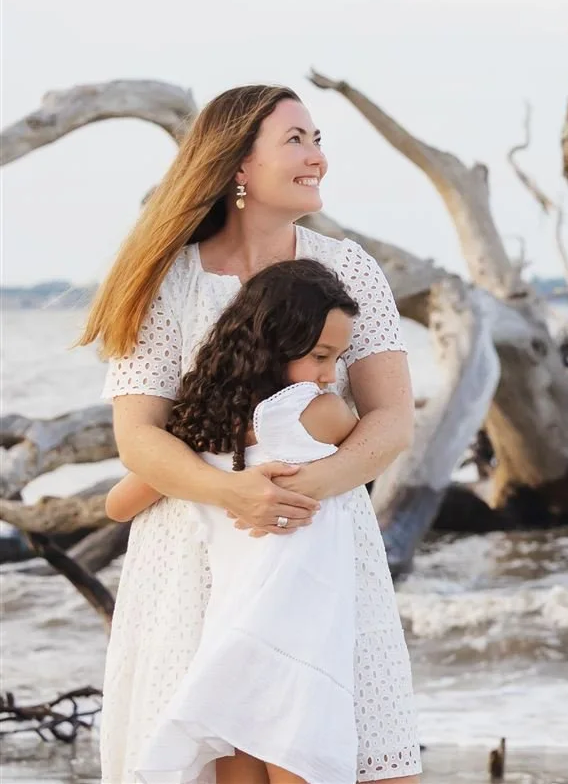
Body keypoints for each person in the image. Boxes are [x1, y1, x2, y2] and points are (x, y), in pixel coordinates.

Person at [84, 85, 422, 784]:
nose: (318, 157)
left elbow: (392, 418)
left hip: (323, 553)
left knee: (362, 757)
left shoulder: (349, 267)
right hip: (195, 557)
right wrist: (235, 492)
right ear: (239, 162)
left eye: (318, 138)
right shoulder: (166, 279)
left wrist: (313, 484)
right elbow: (140, 438)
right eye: (296, 139)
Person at [109, 259, 373, 784]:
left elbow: (118, 504)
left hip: (233, 624)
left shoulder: (199, 427)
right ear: (275, 342)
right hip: (301, 627)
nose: (329, 375)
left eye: (339, 359)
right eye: (322, 356)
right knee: (305, 758)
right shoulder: (316, 412)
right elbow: (373, 449)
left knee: (239, 759)